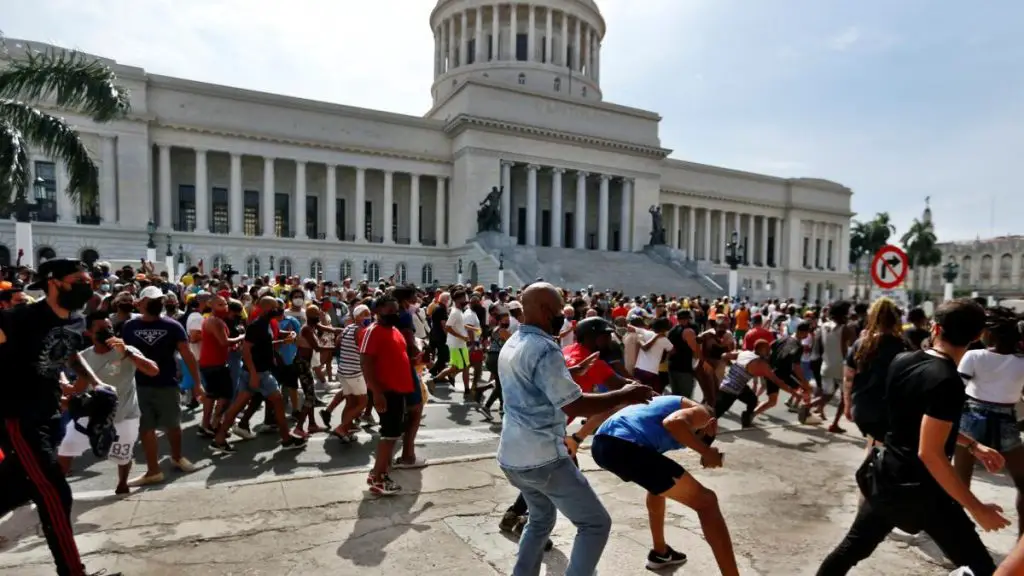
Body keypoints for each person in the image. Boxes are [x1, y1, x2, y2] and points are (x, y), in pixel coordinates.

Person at [817, 299, 1009, 576]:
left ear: (935, 327)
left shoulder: (902, 361)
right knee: (982, 567)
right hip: (924, 494)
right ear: (978, 336)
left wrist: (971, 443)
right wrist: (977, 508)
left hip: (887, 478)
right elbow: (930, 453)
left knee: (849, 551)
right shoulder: (947, 381)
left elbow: (917, 423)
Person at [497, 282, 655, 576]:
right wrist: (627, 394)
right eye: (559, 311)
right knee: (595, 524)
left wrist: (571, 373)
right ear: (546, 311)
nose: (563, 318)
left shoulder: (513, 342)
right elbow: (575, 406)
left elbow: (530, 380)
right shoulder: (545, 348)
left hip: (512, 456)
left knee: (541, 519)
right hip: (543, 457)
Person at [0, 259, 122, 576]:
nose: (88, 284)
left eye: (89, 279)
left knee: (15, 488)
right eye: (79, 279)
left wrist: (95, 384)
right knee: (54, 492)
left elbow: (68, 353)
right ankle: (72, 572)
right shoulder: (19, 319)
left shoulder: (75, 319)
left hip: (50, 415)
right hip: (19, 419)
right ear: (54, 282)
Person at [590, 395, 739, 575]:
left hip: (602, 446)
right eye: (703, 436)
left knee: (658, 489)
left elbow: (658, 482)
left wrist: (703, 449)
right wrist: (706, 451)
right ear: (712, 425)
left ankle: (660, 552)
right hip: (624, 446)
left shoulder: (656, 416)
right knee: (707, 501)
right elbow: (674, 423)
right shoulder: (702, 413)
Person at [58, 313, 158, 495]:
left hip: (125, 413)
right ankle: (54, 487)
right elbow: (79, 387)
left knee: (123, 455)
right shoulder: (83, 357)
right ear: (89, 333)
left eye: (109, 328)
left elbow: (153, 371)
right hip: (94, 413)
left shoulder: (128, 350)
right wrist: (64, 386)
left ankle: (122, 483)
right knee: (68, 446)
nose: (107, 333)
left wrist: (127, 352)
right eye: (102, 330)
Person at [953, 306, 1024, 536]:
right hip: (1006, 421)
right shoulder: (1022, 362)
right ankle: (1021, 540)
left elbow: (955, 392)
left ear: (989, 334)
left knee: (960, 482)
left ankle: (959, 535)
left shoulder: (973, 356)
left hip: (970, 419)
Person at [121, 286, 199, 486]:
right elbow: (123, 356)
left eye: (159, 300)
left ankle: (176, 457)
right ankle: (153, 470)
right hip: (139, 385)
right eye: (151, 300)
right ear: (140, 303)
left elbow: (187, 354)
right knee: (146, 427)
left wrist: (197, 384)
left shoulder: (173, 326)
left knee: (173, 425)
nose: (157, 303)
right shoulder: (129, 326)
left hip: (167, 383)